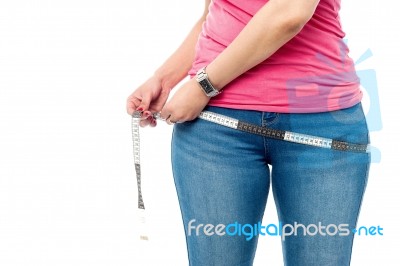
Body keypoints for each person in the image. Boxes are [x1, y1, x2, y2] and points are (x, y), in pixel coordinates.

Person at [126, 0, 370, 265]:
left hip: (321, 122)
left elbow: (291, 12)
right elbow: (216, 12)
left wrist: (202, 86)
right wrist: (163, 80)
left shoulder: (204, 87)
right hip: (215, 126)